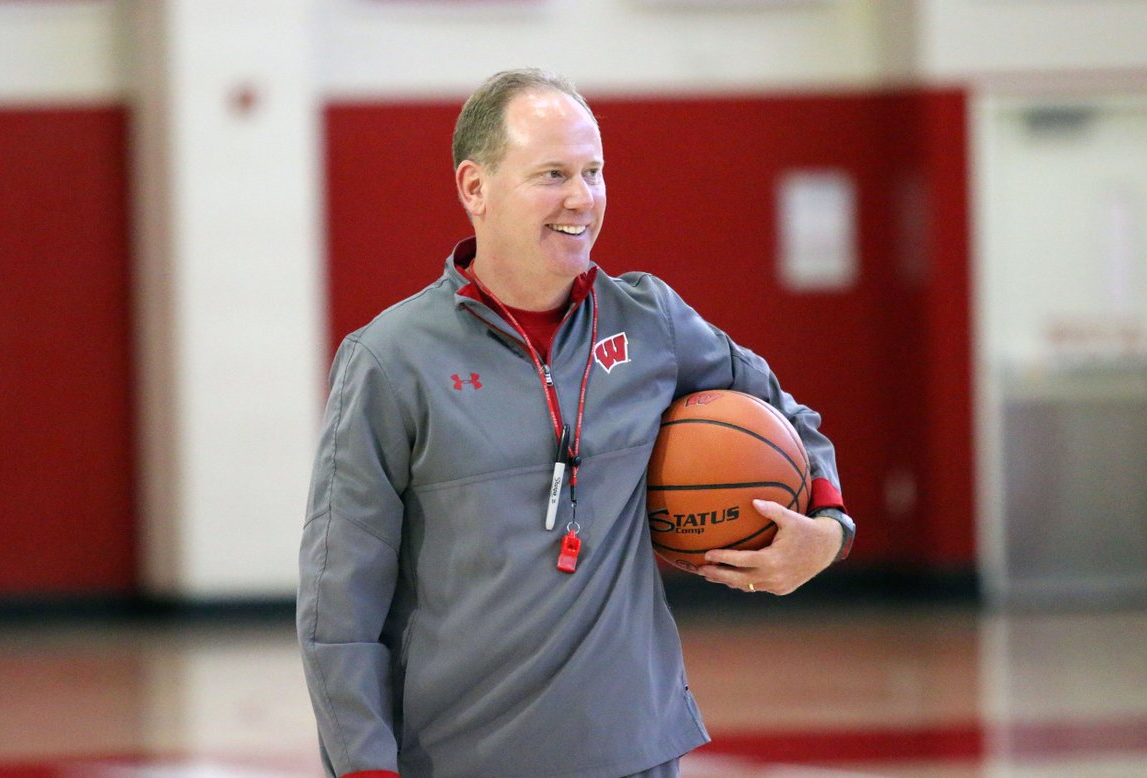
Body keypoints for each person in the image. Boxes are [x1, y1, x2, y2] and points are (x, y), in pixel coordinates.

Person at [297, 67, 855, 778]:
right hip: (463, 758)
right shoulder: (388, 360)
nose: (581, 199)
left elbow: (789, 417)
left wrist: (828, 531)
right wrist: (365, 768)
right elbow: (336, 604)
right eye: (553, 173)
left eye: (593, 172)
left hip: (635, 750)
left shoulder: (651, 321)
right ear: (475, 188)